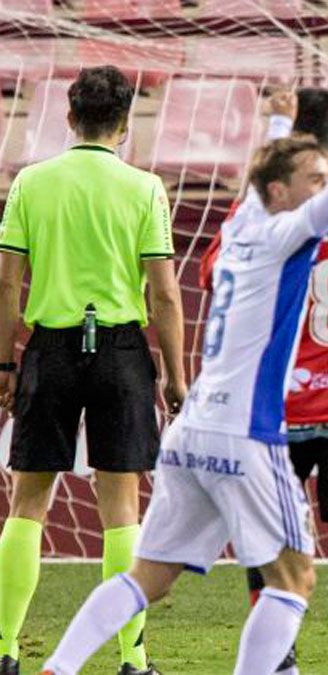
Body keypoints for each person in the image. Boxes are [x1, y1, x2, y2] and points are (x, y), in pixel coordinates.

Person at [37, 84, 328, 675]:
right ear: (279, 194)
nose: (323, 188)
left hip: (192, 434)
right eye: (311, 180)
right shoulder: (284, 232)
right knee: (294, 579)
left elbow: (269, 174)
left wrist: (273, 121)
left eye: (322, 177)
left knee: (149, 578)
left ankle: (56, 668)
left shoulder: (244, 220)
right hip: (247, 433)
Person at [198, 86, 328, 675]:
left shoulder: (263, 218)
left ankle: (280, 665)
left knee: (267, 549)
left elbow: (216, 278)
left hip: (273, 411)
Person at [0, 66, 186, 675]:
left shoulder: (31, 182)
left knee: (28, 504)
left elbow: (6, 283)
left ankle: (4, 651)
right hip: (120, 352)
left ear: (70, 117)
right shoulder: (144, 188)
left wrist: (4, 361)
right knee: (122, 509)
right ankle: (132, 659)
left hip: (49, 350)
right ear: (126, 124)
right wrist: (177, 376)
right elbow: (163, 294)